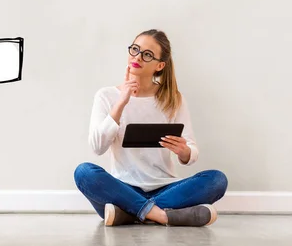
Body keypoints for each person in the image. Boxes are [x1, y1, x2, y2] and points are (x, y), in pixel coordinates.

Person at [74, 29, 228, 227]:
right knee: (84, 172)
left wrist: (185, 152)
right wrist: (121, 103)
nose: (137, 57)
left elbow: (192, 151)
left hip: (165, 188)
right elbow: (97, 147)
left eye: (147, 54)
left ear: (160, 65)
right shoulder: (106, 96)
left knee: (216, 180)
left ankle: (129, 214)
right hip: (123, 189)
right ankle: (163, 215)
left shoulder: (173, 99)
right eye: (135, 49)